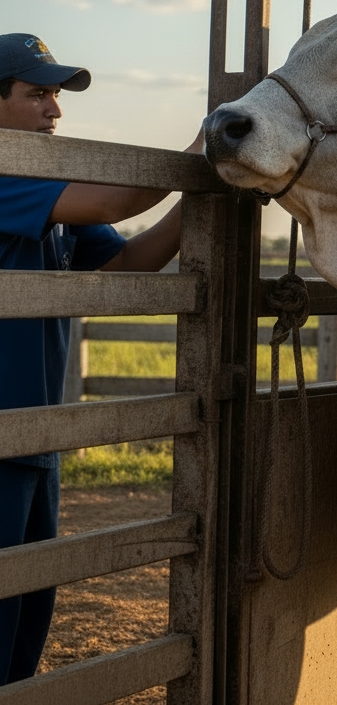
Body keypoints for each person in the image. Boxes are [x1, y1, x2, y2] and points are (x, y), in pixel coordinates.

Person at [0, 33, 202, 685]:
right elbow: (115, 200)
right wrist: (199, 155)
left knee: (30, 613)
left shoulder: (45, 190)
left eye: (56, 95)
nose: (55, 110)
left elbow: (130, 260)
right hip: (3, 437)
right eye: (37, 94)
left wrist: (195, 195)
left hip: (42, 435)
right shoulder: (5, 178)